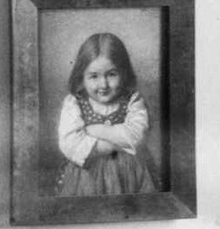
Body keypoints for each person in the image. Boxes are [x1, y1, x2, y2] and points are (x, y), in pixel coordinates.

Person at [55, 32, 156, 197]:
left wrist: (95, 130)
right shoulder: (74, 103)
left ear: (124, 73)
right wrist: (109, 146)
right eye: (94, 76)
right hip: (86, 177)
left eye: (111, 74)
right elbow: (69, 143)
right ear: (81, 78)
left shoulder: (133, 100)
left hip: (128, 174)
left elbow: (136, 135)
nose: (103, 84)